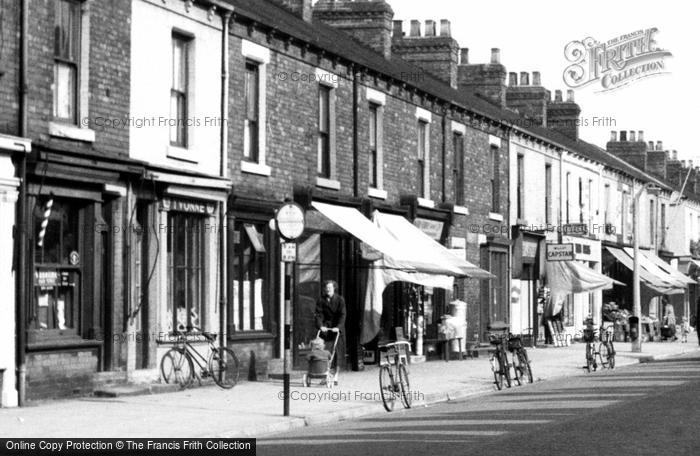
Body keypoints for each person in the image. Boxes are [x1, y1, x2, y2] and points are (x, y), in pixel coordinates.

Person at [314, 280, 346, 384]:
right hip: (326, 328)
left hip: (336, 329)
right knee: (324, 351)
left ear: (334, 289)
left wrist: (339, 326)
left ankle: (336, 374)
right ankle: (324, 373)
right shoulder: (321, 300)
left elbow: (342, 314)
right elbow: (318, 314)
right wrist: (320, 325)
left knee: (336, 351)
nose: (328, 290)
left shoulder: (340, 300)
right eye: (326, 288)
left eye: (330, 288)